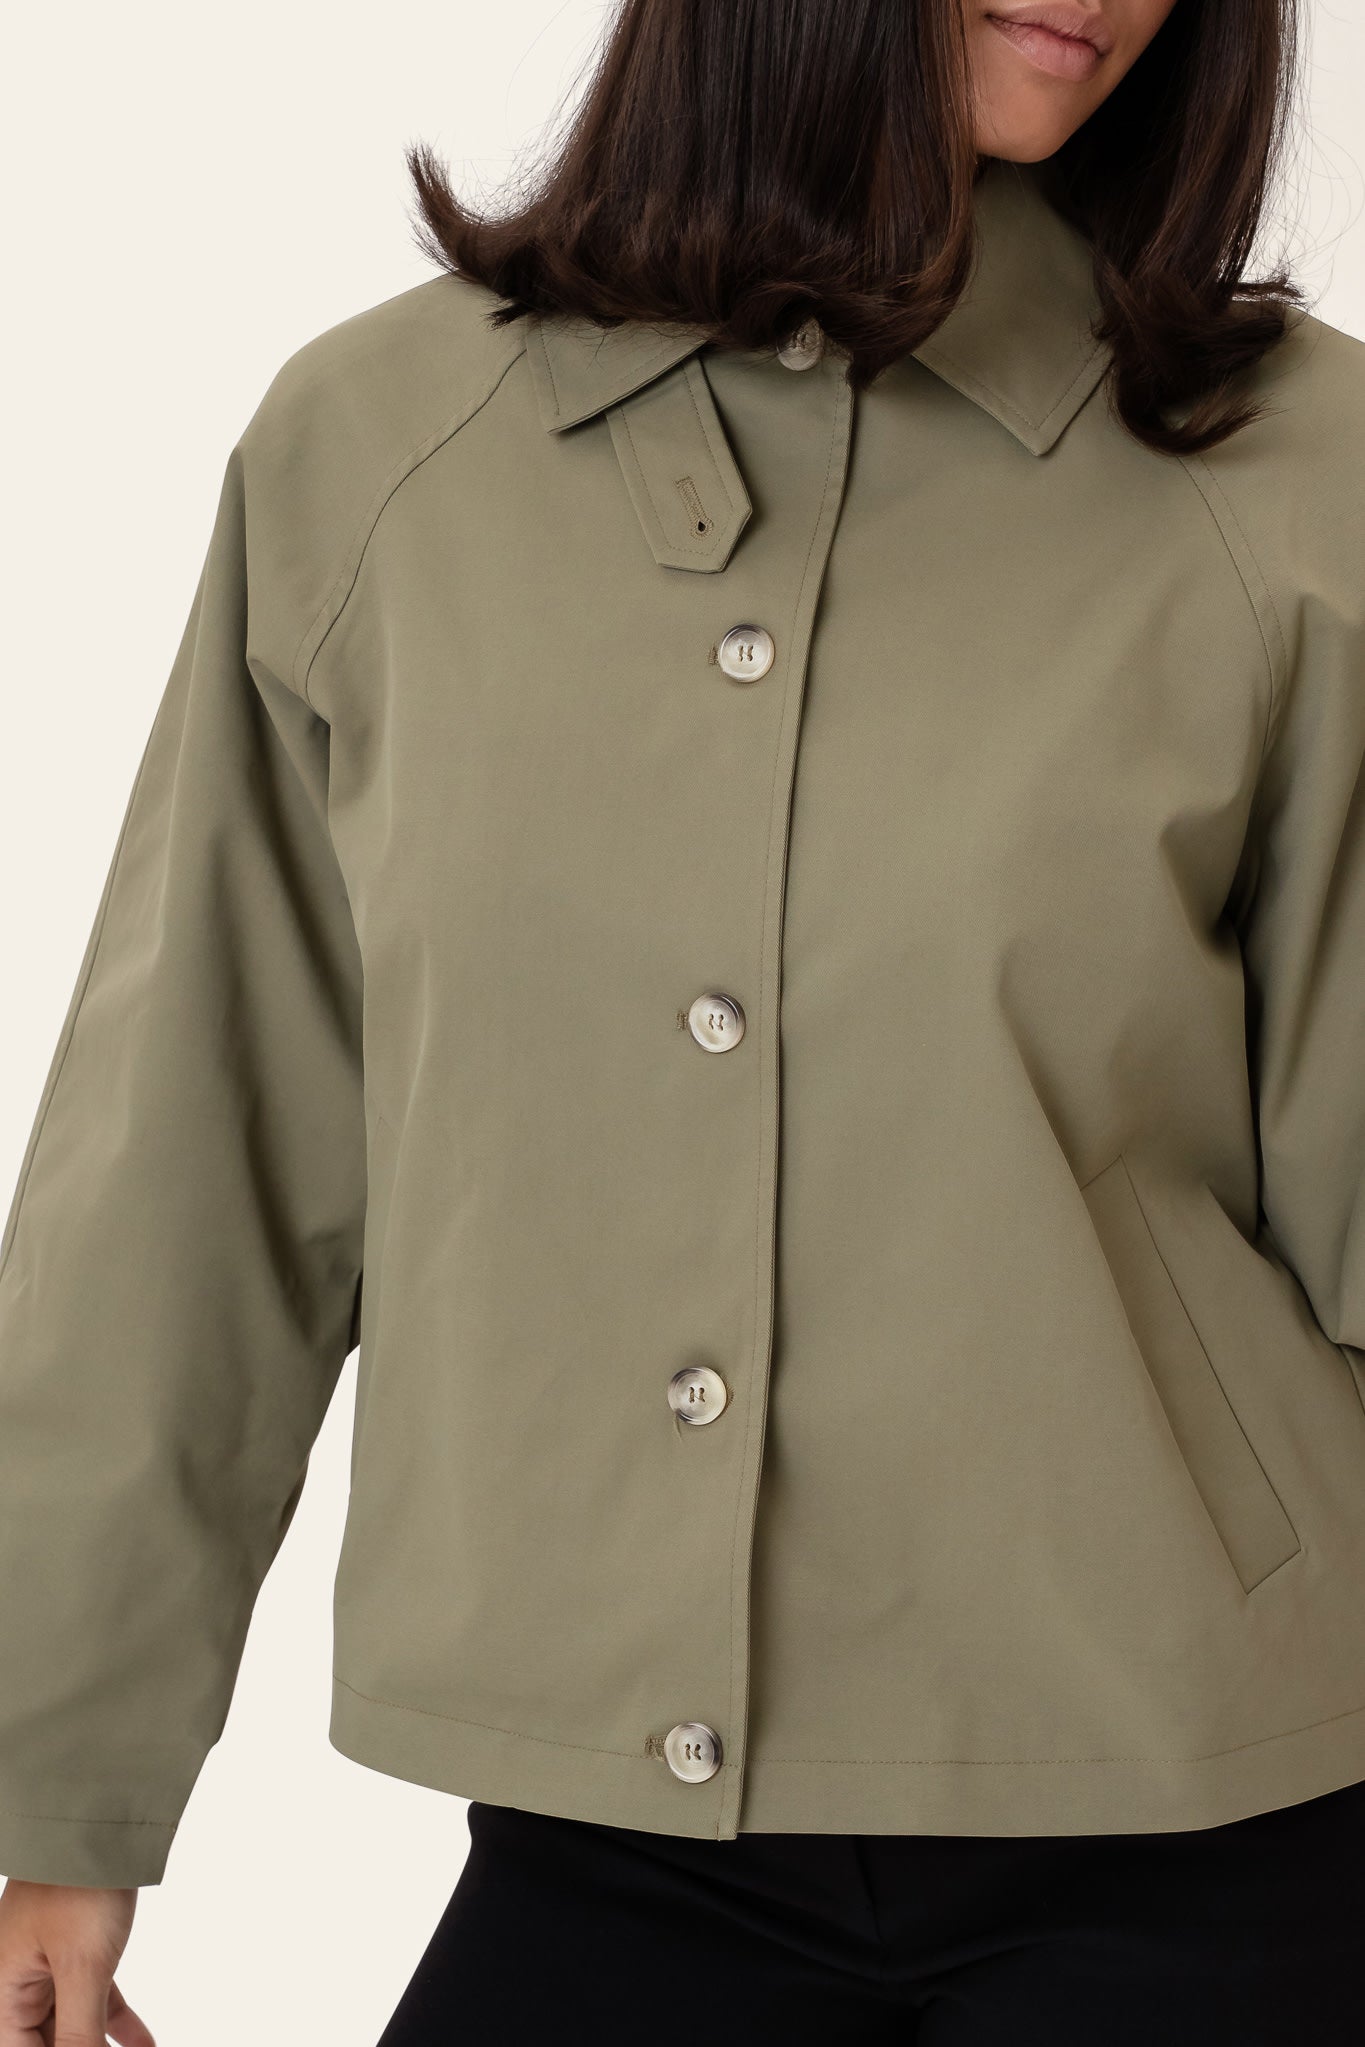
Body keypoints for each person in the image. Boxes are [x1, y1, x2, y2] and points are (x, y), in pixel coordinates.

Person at [3, 0, 1365, 2039]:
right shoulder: (376, 458)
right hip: (611, 1847)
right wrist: (59, 1787)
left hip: (1213, 1815)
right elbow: (195, 1164)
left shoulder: (1293, 474)